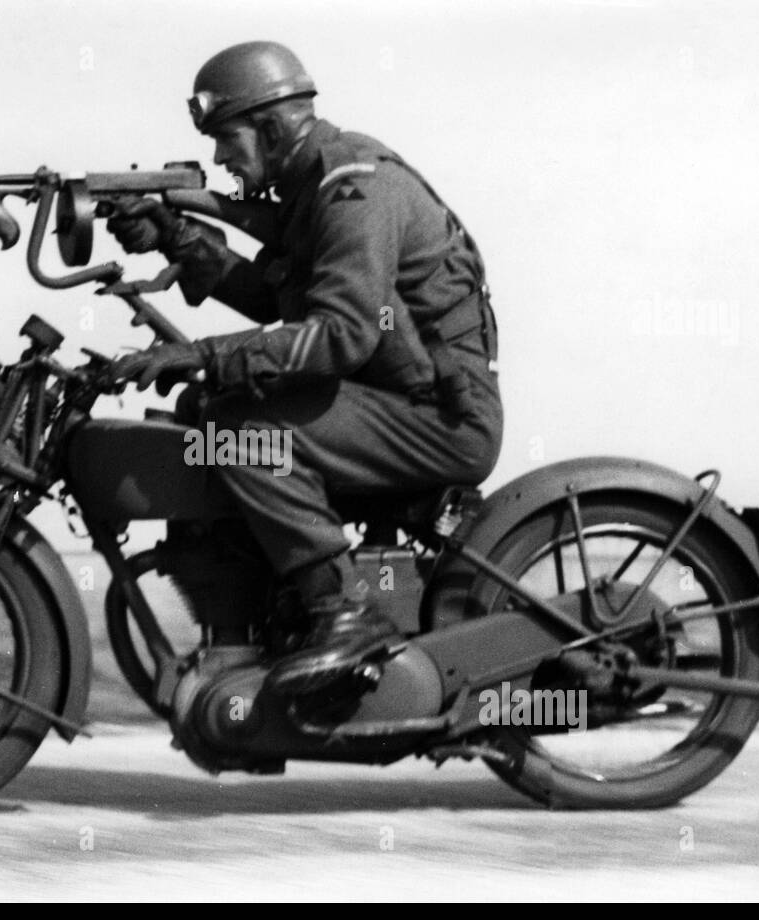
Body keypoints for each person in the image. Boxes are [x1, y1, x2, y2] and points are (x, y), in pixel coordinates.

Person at [109, 41, 503, 696]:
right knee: (202, 416)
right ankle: (268, 616)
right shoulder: (314, 192)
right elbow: (278, 296)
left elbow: (343, 336)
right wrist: (181, 237)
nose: (219, 158)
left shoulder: (353, 191)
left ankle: (341, 614)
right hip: (394, 402)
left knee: (239, 431)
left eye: (225, 138)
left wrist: (204, 356)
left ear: (270, 126)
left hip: (437, 419)